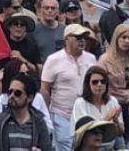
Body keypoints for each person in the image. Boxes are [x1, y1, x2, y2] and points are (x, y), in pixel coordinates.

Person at [41, 23, 97, 151]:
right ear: (66, 39)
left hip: (86, 113)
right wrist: (47, 114)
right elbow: (44, 88)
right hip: (62, 114)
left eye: (84, 37)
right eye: (78, 37)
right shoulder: (53, 59)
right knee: (66, 147)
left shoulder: (91, 58)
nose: (82, 40)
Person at [0, 73, 51, 151]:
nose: (12, 96)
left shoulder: (39, 123)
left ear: (30, 98)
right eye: (10, 92)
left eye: (17, 93)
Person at [97, 24, 129, 142]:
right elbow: (98, 85)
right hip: (111, 107)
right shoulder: (104, 60)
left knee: (126, 139)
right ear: (116, 38)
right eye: (123, 37)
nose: (127, 41)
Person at [70, 66, 123, 146]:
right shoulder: (80, 103)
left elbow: (121, 132)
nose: (99, 84)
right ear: (88, 84)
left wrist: (116, 120)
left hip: (110, 145)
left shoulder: (113, 101)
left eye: (103, 81)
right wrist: (107, 119)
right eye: (95, 82)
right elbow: (85, 134)